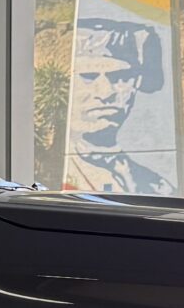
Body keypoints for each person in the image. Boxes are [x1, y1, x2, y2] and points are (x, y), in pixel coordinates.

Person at [62, 17, 173, 194]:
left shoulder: (157, 187)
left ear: (136, 83)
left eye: (120, 77)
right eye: (88, 76)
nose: (105, 93)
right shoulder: (47, 174)